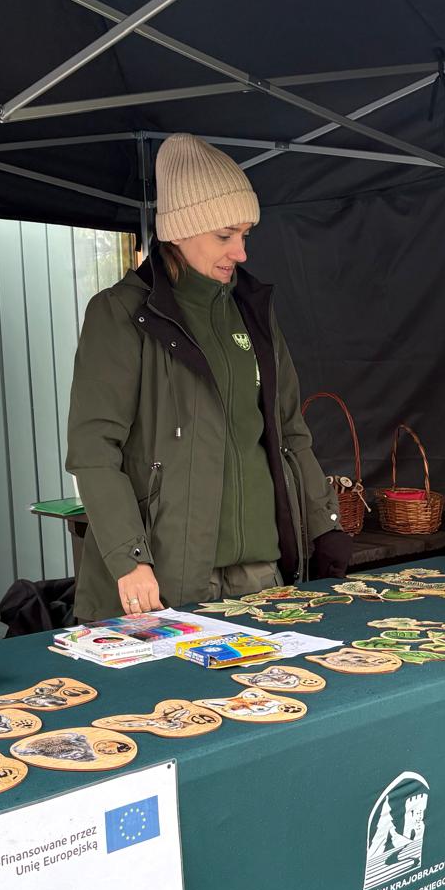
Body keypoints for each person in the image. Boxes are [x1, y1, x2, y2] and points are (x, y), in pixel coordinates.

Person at [67, 134, 351, 622]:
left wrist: (325, 525)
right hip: (165, 575)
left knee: (270, 698)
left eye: (246, 234)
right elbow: (94, 452)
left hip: (261, 571)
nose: (240, 252)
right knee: (173, 701)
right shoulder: (122, 314)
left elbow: (289, 431)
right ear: (179, 231)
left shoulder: (253, 311)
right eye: (225, 235)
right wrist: (129, 559)